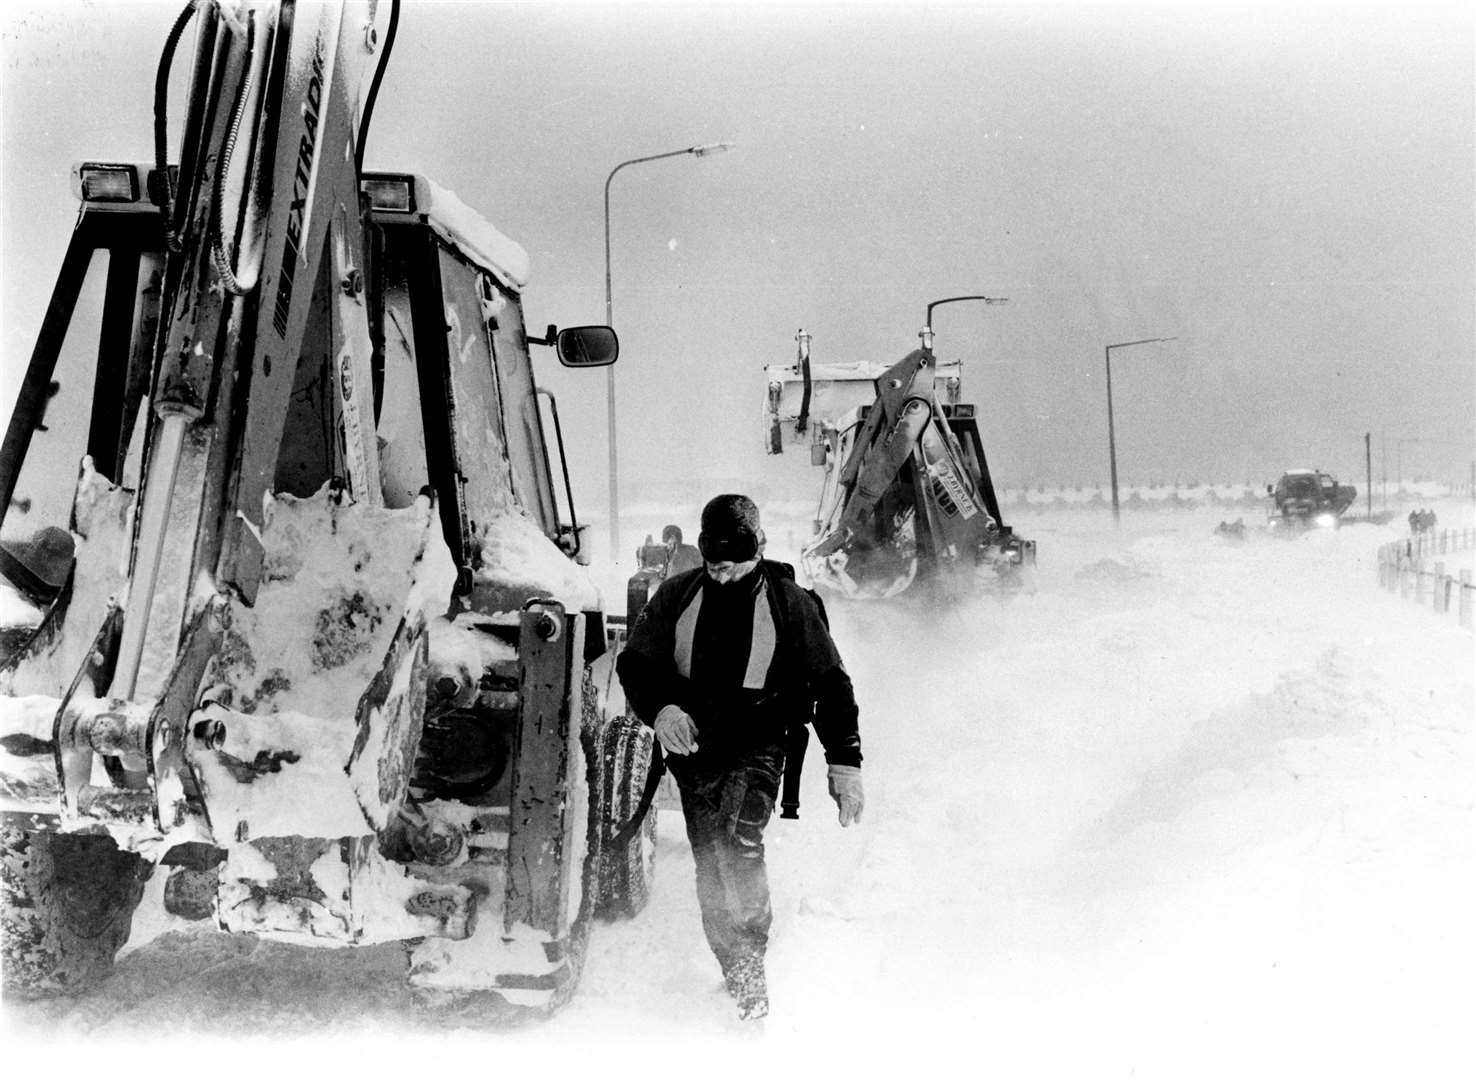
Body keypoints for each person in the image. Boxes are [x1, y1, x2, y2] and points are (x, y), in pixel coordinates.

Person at [616, 493, 863, 1021]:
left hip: (761, 741)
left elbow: (831, 683)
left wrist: (845, 765)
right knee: (710, 857)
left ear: (757, 552)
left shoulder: (789, 603)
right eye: (713, 566)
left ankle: (751, 957)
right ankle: (731, 960)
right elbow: (635, 663)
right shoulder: (678, 597)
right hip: (694, 749)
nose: (722, 577)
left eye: (733, 567)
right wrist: (662, 711)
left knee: (739, 840)